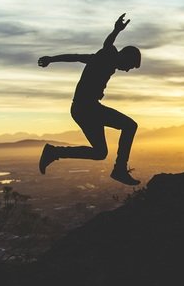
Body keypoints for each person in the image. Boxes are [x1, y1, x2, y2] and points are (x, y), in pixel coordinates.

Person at [37, 13, 142, 185]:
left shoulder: (107, 61)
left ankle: (54, 152)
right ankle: (119, 170)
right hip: (86, 108)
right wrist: (116, 30)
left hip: (84, 109)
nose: (128, 70)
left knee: (100, 153)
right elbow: (102, 46)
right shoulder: (108, 56)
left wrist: (52, 59)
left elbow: (81, 56)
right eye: (130, 65)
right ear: (126, 57)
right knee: (130, 125)